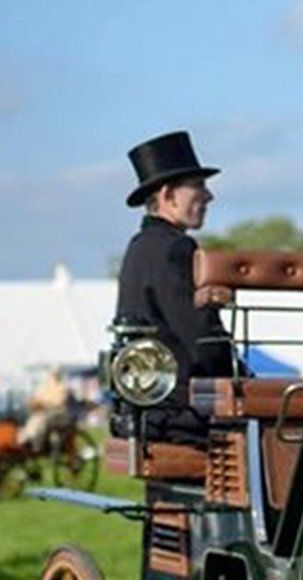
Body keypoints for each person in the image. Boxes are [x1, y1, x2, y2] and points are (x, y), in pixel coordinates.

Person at [115, 129, 235, 442]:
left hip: (153, 412)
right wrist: (241, 377)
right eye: (198, 187)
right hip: (184, 417)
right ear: (169, 196)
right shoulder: (176, 249)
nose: (208, 196)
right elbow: (202, 341)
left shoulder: (138, 247)